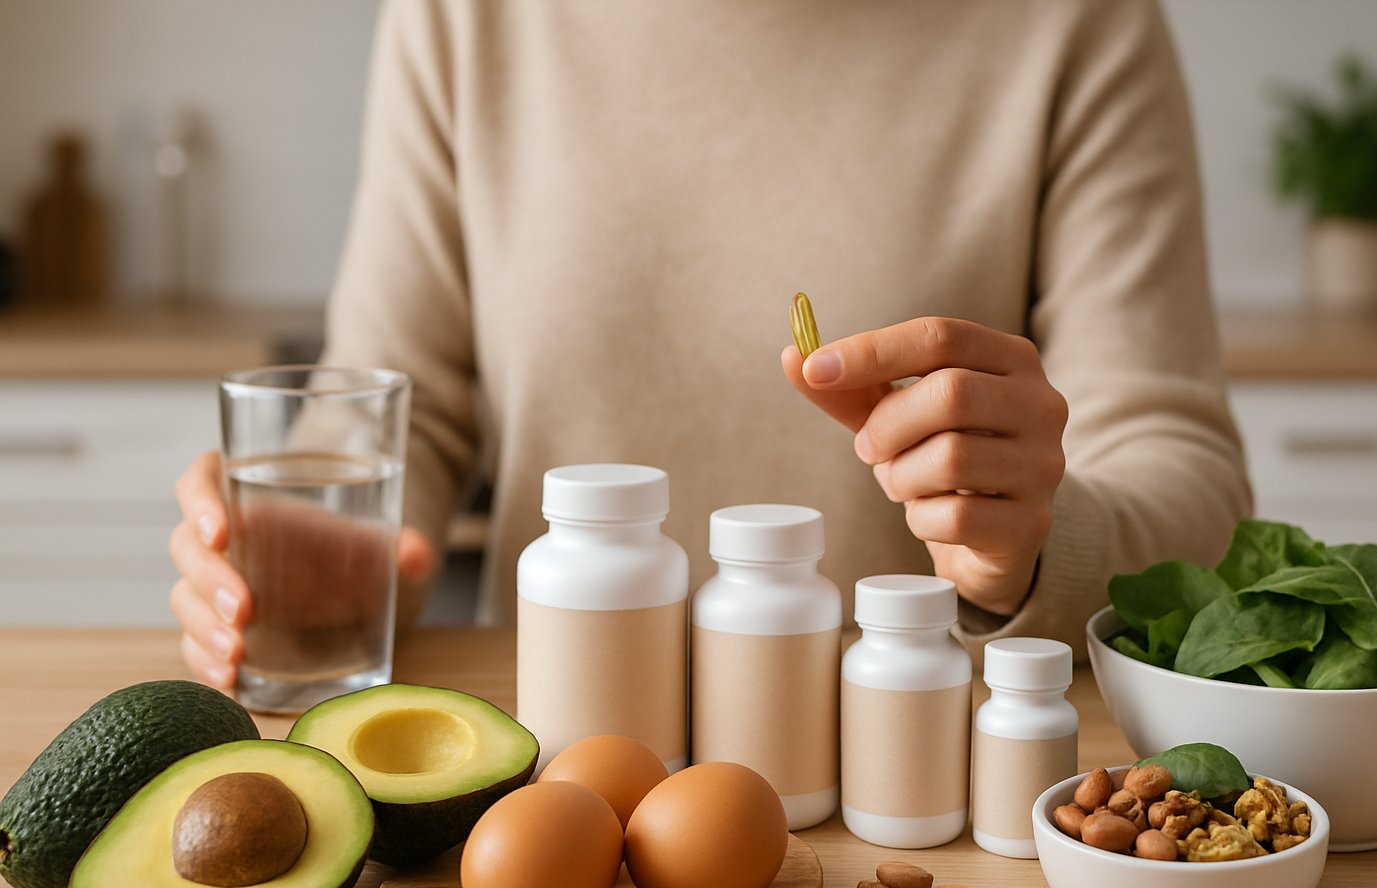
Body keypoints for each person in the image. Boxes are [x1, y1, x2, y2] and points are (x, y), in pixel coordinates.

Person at [170, 0, 1250, 693]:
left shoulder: (1076, 25)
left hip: (924, 772)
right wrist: (319, 559)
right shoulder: (464, 18)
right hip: (557, 759)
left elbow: (1189, 478)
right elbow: (398, 408)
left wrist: (1036, 542)